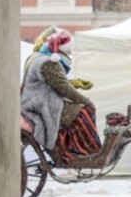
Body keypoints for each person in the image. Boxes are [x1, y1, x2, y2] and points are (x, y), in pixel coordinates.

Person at [20, 30, 101, 164]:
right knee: (83, 113)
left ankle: (81, 150)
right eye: (68, 52)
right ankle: (81, 152)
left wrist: (73, 83)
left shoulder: (37, 57)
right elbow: (63, 89)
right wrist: (86, 101)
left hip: (36, 102)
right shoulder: (49, 62)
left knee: (79, 111)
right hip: (41, 106)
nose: (69, 55)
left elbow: (55, 83)